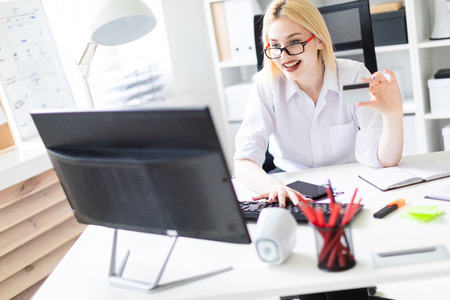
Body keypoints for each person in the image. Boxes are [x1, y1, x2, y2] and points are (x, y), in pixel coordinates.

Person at [234, 0, 404, 208]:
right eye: (275, 45)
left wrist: (393, 117)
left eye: (294, 42)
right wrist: (272, 186)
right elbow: (243, 161)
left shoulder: (351, 78)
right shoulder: (267, 86)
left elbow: (384, 159)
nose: (284, 55)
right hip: (291, 190)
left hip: (349, 187)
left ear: (320, 40)